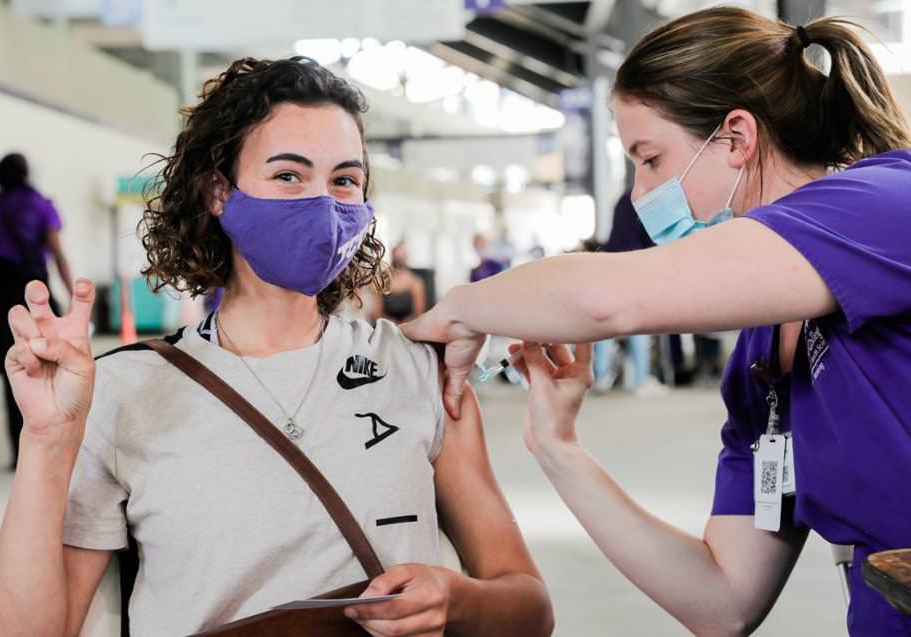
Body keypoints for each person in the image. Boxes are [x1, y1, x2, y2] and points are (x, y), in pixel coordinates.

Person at [0, 57, 553, 637]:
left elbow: (528, 606)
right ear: (217, 193)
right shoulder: (125, 391)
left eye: (344, 180)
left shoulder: (417, 370)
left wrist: (455, 599)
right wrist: (48, 442)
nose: (323, 205)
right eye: (288, 176)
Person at [403, 8, 911, 635]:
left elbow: (605, 300)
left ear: (735, 139)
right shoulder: (762, 361)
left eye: (650, 160)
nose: (642, 198)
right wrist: (558, 449)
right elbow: (722, 602)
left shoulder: (886, 206)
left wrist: (458, 309)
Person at [0, 152, 73, 468]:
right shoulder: (41, 205)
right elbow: (57, 252)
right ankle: (50, 447)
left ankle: (17, 454)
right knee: (50, 370)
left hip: (1, 301)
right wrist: (74, 295)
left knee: (13, 374)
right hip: (36, 296)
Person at [590, 192, 668, 398]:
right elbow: (651, 237)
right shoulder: (647, 201)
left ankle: (600, 377)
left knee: (606, 328)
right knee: (638, 328)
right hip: (634, 265)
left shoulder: (623, 200)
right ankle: (641, 380)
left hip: (610, 263)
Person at [374, 241, 426, 323]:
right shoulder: (383, 281)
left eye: (401, 257)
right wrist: (390, 324)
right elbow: (377, 312)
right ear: (392, 257)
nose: (399, 261)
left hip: (409, 325)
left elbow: (419, 312)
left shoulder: (415, 282)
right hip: (387, 325)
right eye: (397, 258)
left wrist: (404, 325)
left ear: (406, 257)